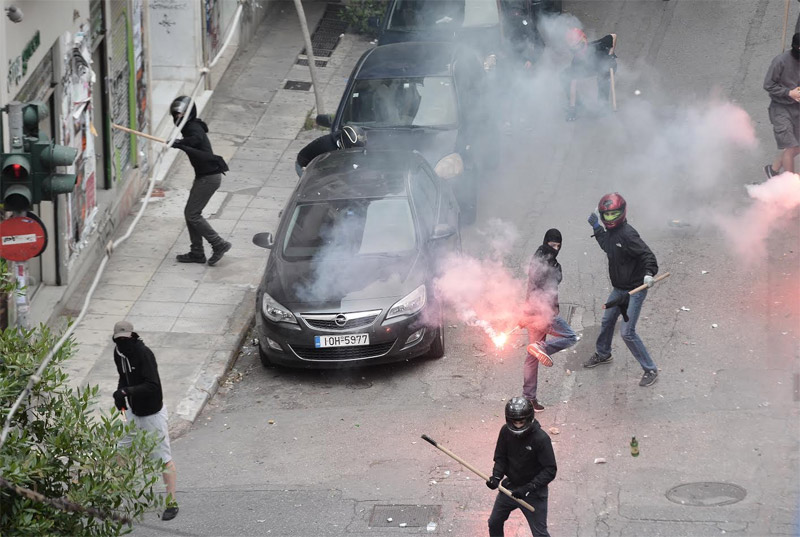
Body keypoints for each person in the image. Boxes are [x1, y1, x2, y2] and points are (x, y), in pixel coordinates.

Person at [585, 193, 659, 387]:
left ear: (622, 212)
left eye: (613, 215)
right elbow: (608, 246)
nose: (609, 219)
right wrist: (596, 228)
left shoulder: (628, 234)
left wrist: (649, 273)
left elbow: (647, 255)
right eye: (606, 216)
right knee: (607, 320)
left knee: (627, 332)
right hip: (619, 289)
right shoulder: (611, 234)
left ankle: (650, 368)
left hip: (635, 290)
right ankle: (603, 354)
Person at [111, 321, 179, 521]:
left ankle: (171, 503)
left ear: (132, 336)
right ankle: (122, 497)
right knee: (120, 451)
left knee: (162, 458)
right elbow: (123, 377)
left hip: (152, 415)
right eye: (119, 339)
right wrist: (120, 397)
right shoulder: (118, 353)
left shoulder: (144, 354)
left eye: (125, 338)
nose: (122, 342)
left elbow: (153, 386)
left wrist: (127, 391)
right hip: (130, 411)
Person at [521, 228, 579, 412]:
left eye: (557, 246)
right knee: (571, 337)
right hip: (545, 313)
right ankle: (542, 348)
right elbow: (544, 284)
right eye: (552, 245)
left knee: (531, 358)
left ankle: (529, 398)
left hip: (532, 313)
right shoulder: (545, 262)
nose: (554, 248)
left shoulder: (538, 259)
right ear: (545, 242)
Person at [170, 96, 231, 266]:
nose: (178, 118)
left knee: (192, 214)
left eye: (181, 115)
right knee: (190, 213)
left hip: (209, 178)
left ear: (189, 114)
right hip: (204, 176)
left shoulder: (193, 127)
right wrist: (180, 143)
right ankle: (197, 252)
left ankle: (218, 244)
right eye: (176, 115)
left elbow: (195, 140)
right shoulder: (190, 126)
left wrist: (180, 143)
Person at [485, 397, 557, 537]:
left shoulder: (541, 439)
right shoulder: (505, 432)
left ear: (529, 418)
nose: (517, 425)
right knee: (494, 522)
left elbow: (550, 470)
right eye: (514, 422)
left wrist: (528, 488)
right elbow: (501, 458)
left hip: (534, 493)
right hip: (510, 488)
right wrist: (496, 477)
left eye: (521, 421)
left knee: (540, 534)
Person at [763, 33, 800, 179]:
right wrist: (788, 92)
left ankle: (772, 170)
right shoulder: (780, 61)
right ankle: (790, 186)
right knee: (790, 146)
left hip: (797, 109)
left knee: (797, 146)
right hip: (780, 108)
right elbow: (768, 85)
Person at [562, 29, 617, 121]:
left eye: (578, 44)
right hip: (589, 69)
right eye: (573, 47)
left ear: (583, 40)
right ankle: (577, 106)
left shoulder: (598, 45)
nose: (577, 48)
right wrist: (572, 107)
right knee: (564, 76)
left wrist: (610, 55)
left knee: (603, 78)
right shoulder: (576, 61)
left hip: (606, 66)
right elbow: (573, 83)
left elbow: (613, 36)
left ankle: (602, 106)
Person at [295, 125, 367, 177]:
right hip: (305, 165)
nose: (355, 149)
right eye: (353, 147)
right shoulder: (328, 149)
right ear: (346, 144)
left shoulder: (342, 137)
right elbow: (328, 172)